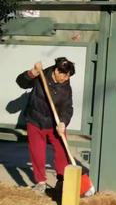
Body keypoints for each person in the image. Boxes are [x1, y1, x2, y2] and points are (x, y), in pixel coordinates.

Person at [16, 58, 75, 194]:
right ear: (56, 70)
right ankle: (41, 182)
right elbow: (21, 82)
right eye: (64, 75)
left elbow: (68, 109)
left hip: (55, 124)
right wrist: (32, 72)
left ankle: (62, 180)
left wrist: (63, 122)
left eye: (69, 76)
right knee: (37, 152)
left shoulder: (66, 88)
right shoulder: (41, 76)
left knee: (62, 152)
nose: (66, 78)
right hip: (35, 121)